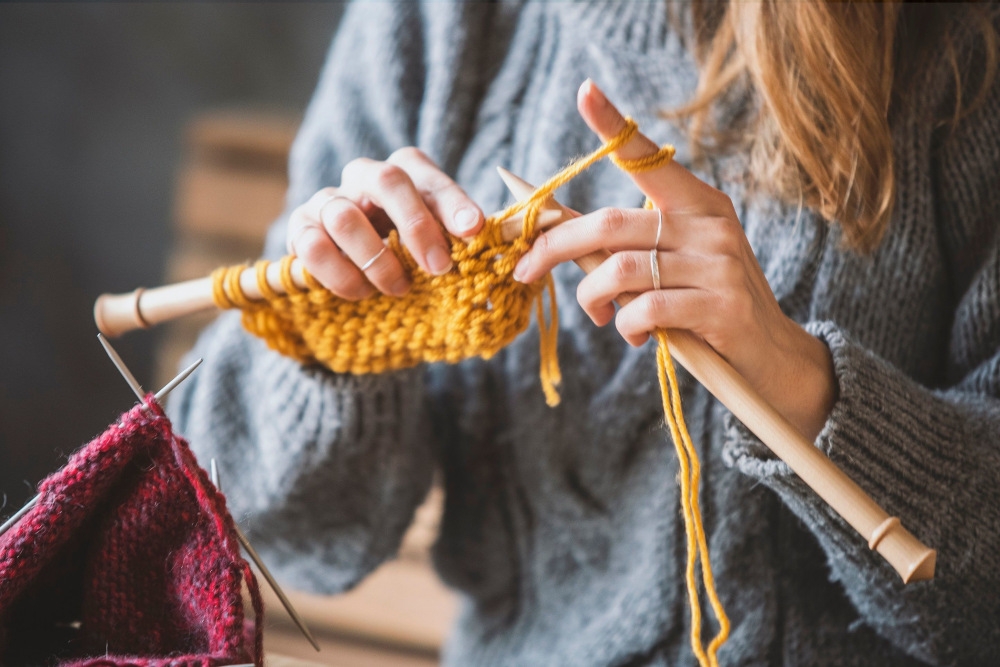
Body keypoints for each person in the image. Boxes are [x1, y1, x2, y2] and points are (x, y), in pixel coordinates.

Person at [168, 2, 1000, 664]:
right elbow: (266, 529)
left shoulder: (964, 57)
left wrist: (800, 382)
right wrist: (334, 337)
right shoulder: (441, 19)